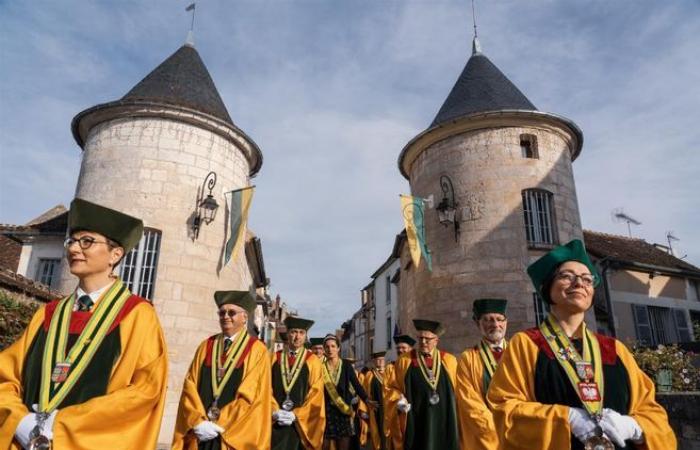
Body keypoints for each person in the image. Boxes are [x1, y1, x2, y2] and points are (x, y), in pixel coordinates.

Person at [0, 198, 168, 449]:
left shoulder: (137, 314)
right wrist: (19, 421)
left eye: (87, 241)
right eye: (72, 241)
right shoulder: (48, 314)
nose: (74, 249)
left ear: (115, 254)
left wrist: (64, 424)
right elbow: (6, 377)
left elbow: (145, 392)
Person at [488, 239, 677, 450]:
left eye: (587, 279)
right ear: (547, 288)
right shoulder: (526, 345)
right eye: (567, 276)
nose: (579, 283)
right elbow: (504, 409)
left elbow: (652, 411)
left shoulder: (615, 349)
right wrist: (565, 418)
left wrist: (635, 427)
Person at [172, 290, 271, 450]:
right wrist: (197, 422)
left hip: (233, 435)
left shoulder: (257, 350)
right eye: (221, 312)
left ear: (245, 317)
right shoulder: (206, 345)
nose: (225, 316)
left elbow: (251, 395)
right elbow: (189, 386)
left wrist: (219, 423)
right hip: (200, 434)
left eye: (231, 312)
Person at [386, 320, 459, 450]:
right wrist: (399, 400)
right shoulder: (404, 361)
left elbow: (458, 391)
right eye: (420, 338)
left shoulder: (449, 360)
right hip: (416, 418)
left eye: (428, 339)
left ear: (436, 340)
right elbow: (392, 387)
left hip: (444, 417)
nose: (423, 342)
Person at [456, 298, 508, 450]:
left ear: (506, 322)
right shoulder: (468, 358)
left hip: (518, 431)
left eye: (500, 319)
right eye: (488, 320)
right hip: (485, 437)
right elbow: (469, 402)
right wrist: (493, 428)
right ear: (477, 323)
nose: (495, 325)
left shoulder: (518, 352)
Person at [271, 316, 325, 450]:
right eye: (294, 332)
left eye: (301, 333)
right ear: (287, 333)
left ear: (306, 336)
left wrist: (296, 415)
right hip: (275, 422)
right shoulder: (273, 357)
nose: (297, 337)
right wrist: (273, 410)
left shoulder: (312, 361)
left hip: (300, 425)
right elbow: (265, 388)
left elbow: (316, 395)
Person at [321, 335, 373, 450]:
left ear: (338, 348)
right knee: (325, 445)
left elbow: (356, 384)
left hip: (343, 410)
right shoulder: (321, 367)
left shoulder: (346, 365)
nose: (330, 349)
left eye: (333, 346)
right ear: (324, 349)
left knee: (343, 445)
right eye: (327, 347)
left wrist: (366, 399)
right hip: (326, 411)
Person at [383, 335, 415, 450]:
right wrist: (399, 398)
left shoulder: (416, 365)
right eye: (398, 348)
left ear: (411, 349)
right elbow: (387, 388)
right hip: (399, 410)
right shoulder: (391, 367)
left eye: (403, 347)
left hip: (416, 409)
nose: (400, 350)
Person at [363, 352, 389, 450]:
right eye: (378, 359)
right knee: (376, 431)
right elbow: (364, 392)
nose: (381, 361)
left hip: (387, 407)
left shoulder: (389, 372)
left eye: (382, 359)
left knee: (387, 431)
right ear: (374, 361)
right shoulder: (369, 375)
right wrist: (364, 409)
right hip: (375, 408)